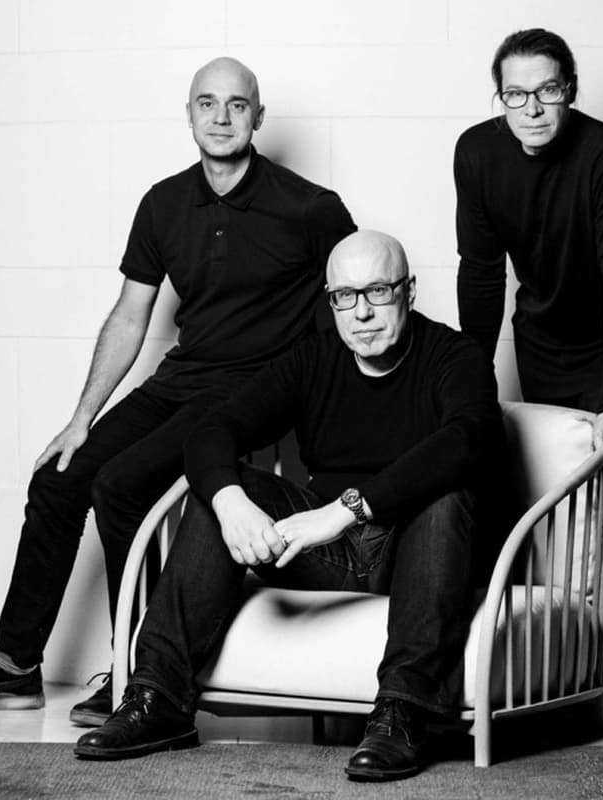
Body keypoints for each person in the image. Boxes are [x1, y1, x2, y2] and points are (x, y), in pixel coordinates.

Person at [0, 57, 355, 726]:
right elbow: (130, 315)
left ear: (258, 117)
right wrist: (80, 419)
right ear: (189, 114)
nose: (220, 117)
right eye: (206, 103)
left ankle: (141, 669)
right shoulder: (163, 202)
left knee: (121, 485)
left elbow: (355, 304)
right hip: (180, 380)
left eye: (236, 105)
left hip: (254, 391)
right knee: (59, 478)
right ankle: (15, 667)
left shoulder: (311, 208)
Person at [73, 230, 509, 782]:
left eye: (378, 291)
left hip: (418, 550)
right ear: (331, 301)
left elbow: (470, 439)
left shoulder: (455, 356)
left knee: (447, 489)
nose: (362, 313)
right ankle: (157, 697)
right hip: (328, 553)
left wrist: (345, 510)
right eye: (345, 296)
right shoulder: (313, 359)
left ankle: (404, 713)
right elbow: (212, 430)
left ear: (409, 290)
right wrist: (231, 502)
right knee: (223, 487)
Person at [454, 28, 603, 723]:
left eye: (547, 91)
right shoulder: (476, 152)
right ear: (499, 98)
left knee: (601, 484)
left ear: (569, 92)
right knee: (546, 486)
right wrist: (468, 380)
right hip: (544, 329)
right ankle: (556, 666)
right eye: (515, 94)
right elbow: (481, 274)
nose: (531, 108)